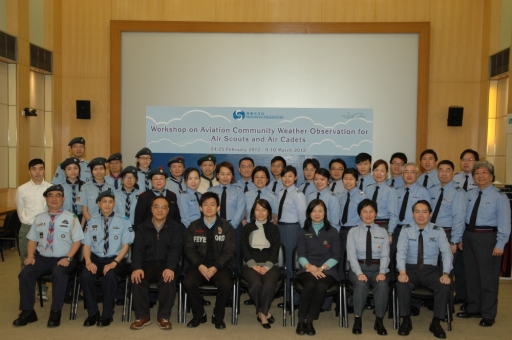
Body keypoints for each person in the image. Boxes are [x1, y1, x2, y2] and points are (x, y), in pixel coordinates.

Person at [13, 185, 84, 327]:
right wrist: (31, 256)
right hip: (43, 258)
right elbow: (32, 239)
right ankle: (28, 311)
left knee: (59, 274)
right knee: (25, 273)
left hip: (64, 258)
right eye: (50, 195)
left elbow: (77, 241)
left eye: (58, 195)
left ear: (63, 199)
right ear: (46, 199)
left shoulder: (72, 218)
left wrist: (68, 258)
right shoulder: (39, 218)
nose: (54, 198)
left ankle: (55, 311)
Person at [456, 161, 511, 327]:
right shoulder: (469, 194)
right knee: (471, 275)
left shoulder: (499, 197)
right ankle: (473, 308)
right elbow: (461, 217)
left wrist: (501, 244)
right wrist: (459, 238)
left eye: (484, 173)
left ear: (491, 176)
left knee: (488, 278)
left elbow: (505, 223)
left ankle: (488, 313)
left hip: (488, 238)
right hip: (469, 236)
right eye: (477, 173)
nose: (480, 176)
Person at [396, 200, 452, 338]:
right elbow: (401, 251)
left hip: (431, 270)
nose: (421, 215)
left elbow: (446, 253)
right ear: (412, 214)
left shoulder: (438, 231)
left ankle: (436, 322)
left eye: (424, 212)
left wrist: (446, 273)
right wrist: (402, 271)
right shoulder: (406, 229)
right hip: (410, 269)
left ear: (430, 214)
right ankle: (406, 320)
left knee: (444, 285)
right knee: (402, 284)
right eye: (417, 212)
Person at [129, 196, 184, 330]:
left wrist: (170, 267)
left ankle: (163, 317)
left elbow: (176, 250)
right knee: (137, 278)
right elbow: (137, 250)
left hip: (166, 264)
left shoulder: (176, 227)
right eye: (157, 207)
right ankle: (142, 316)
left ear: (168, 210)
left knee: (168, 279)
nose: (160, 210)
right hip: (147, 264)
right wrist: (137, 267)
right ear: (151, 209)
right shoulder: (142, 227)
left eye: (164, 207)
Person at [183, 192, 236, 330]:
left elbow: (229, 251)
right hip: (198, 265)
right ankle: (199, 315)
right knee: (189, 282)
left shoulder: (226, 226)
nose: (209, 207)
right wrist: (199, 265)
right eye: (205, 204)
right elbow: (189, 250)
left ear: (218, 208)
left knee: (226, 284)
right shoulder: (193, 226)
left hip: (220, 265)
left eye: (212, 204)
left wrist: (216, 267)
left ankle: (217, 317)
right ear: (200, 208)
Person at [81, 190, 134, 327]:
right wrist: (88, 262)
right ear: (98, 204)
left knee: (110, 277)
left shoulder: (124, 220)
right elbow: (86, 246)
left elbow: (126, 246)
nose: (107, 204)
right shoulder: (91, 221)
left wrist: (114, 263)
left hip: (117, 259)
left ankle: (107, 314)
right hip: (96, 259)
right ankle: (93, 313)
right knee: (85, 276)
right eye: (104, 202)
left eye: (110, 202)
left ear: (114, 204)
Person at [295, 199, 341, 336]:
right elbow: (301, 255)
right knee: (309, 284)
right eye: (313, 211)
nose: (317, 214)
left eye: (320, 210)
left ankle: (309, 321)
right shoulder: (303, 231)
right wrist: (310, 267)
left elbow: (336, 255)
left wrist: (321, 268)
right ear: (309, 213)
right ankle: (301, 320)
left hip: (328, 270)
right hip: (307, 269)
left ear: (325, 213)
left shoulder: (332, 231)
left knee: (321, 286)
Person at [347, 199, 390, 335]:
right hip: (358, 268)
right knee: (360, 285)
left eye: (371, 211)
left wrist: (382, 271)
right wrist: (359, 273)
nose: (368, 214)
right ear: (360, 214)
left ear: (376, 214)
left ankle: (379, 320)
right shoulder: (353, 232)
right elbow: (351, 256)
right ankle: (357, 319)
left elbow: (385, 255)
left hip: (378, 269)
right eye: (364, 211)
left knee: (382, 285)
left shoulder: (383, 232)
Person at [15, 158, 52, 300]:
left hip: (46, 228)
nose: (38, 172)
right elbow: (20, 210)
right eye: (34, 169)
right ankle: (27, 290)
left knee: (42, 258)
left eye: (41, 168)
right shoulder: (22, 189)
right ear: (29, 171)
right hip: (27, 227)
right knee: (26, 258)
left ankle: (42, 290)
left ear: (44, 170)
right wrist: (28, 223)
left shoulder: (50, 187)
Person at [241, 199, 281, 329]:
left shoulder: (273, 228)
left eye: (264, 210)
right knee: (257, 284)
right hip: (250, 264)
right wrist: (254, 265)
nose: (260, 213)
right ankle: (265, 313)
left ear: (268, 212)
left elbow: (276, 249)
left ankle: (261, 312)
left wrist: (267, 266)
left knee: (269, 284)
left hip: (271, 265)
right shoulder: (247, 228)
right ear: (253, 212)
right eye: (257, 209)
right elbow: (244, 249)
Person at [276, 165, 307, 309]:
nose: (286, 179)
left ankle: (294, 300)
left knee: (291, 265)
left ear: (295, 177)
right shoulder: (281, 192)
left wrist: (303, 234)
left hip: (292, 229)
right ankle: (287, 297)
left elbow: (302, 216)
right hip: (280, 229)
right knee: (283, 264)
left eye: (290, 176)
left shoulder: (298, 194)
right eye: (284, 176)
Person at [207, 161, 245, 270]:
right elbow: (207, 210)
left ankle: (235, 280)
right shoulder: (211, 191)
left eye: (228, 174)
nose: (225, 177)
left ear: (232, 175)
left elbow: (241, 210)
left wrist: (229, 227)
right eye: (222, 174)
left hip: (234, 227)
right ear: (217, 175)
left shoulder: (238, 191)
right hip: (214, 227)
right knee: (216, 254)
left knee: (235, 256)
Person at [339, 168, 366, 277]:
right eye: (345, 179)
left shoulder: (361, 196)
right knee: (341, 259)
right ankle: (341, 288)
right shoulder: (342, 196)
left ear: (357, 181)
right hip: (343, 231)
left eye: (351, 179)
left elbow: (365, 216)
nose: (348, 181)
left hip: (355, 231)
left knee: (353, 259)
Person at [365, 159, 398, 236]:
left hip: (383, 225)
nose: (379, 173)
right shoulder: (368, 189)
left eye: (382, 170)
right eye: (376, 170)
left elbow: (393, 214)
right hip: (368, 225)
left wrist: (390, 233)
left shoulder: (390, 190)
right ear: (372, 172)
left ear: (386, 173)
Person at [79, 157, 115, 222]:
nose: (99, 172)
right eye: (95, 169)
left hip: (108, 223)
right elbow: (84, 211)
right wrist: (92, 224)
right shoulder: (85, 188)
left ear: (105, 170)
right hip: (91, 222)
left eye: (101, 169)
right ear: (91, 171)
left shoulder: (111, 188)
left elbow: (113, 208)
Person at [60, 158, 85, 222]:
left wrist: (82, 227)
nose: (73, 171)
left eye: (75, 168)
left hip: (82, 219)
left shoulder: (85, 186)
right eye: (69, 169)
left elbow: (87, 208)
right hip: (64, 218)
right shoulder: (60, 188)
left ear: (79, 169)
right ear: (64, 171)